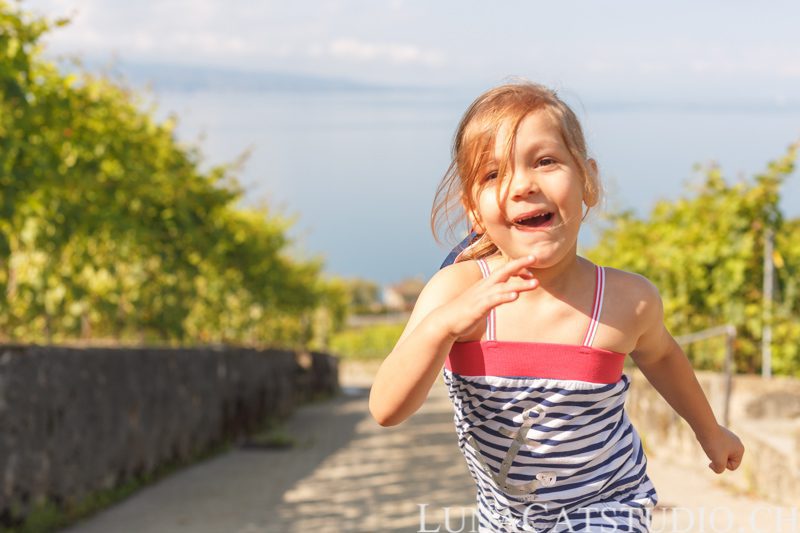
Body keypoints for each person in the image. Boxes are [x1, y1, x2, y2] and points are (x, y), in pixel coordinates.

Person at [368, 81, 744, 532]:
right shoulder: (454, 292)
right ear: (472, 208)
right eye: (493, 174)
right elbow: (386, 408)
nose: (523, 184)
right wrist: (442, 328)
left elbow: (662, 355)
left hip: (609, 504)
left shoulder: (627, 300)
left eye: (545, 161)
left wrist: (709, 431)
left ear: (588, 180)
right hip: (504, 518)